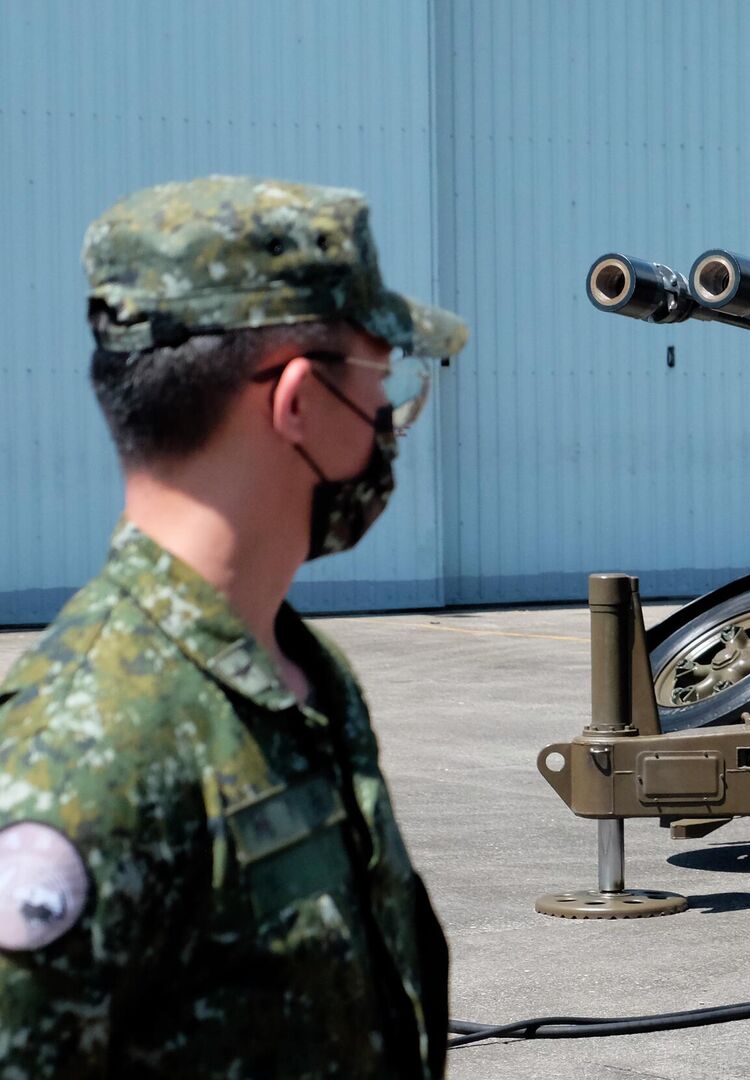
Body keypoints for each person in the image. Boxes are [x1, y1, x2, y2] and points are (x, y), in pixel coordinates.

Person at [0, 176, 468, 1076]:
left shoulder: (300, 671)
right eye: (381, 377)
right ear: (296, 401)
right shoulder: (76, 757)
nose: (389, 417)